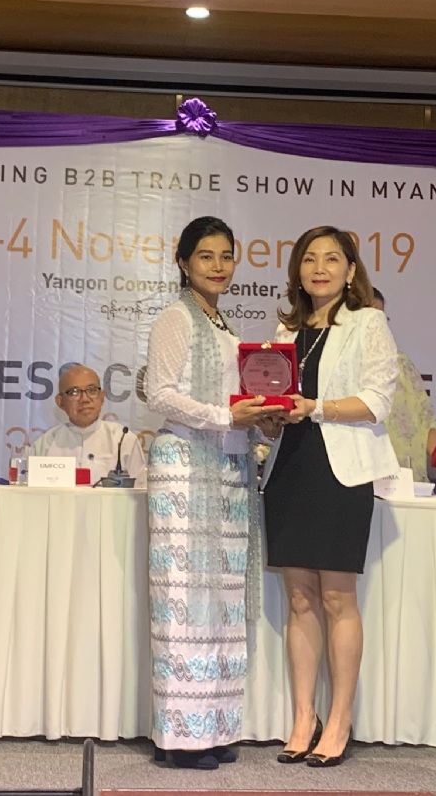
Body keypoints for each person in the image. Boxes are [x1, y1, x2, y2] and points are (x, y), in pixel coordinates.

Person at [144, 216, 284, 771]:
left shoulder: (223, 325)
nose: (218, 266)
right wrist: (227, 415)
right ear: (183, 262)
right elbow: (159, 394)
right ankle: (179, 738)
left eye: (227, 256)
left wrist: (259, 422)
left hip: (227, 469)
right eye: (206, 256)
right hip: (184, 467)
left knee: (220, 607)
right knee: (185, 605)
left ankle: (214, 727)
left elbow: (232, 405)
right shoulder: (175, 317)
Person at [260, 225, 398, 768]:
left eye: (332, 259)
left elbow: (378, 401)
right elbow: (279, 406)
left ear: (350, 270)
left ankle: (339, 720)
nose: (320, 268)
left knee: (337, 598)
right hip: (289, 468)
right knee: (299, 599)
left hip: (341, 472)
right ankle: (303, 717)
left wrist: (313, 407)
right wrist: (270, 418)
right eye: (309, 259)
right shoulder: (284, 330)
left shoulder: (368, 322)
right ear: (297, 271)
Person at [371, 288, 436, 489]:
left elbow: (426, 421)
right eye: (370, 318)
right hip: (364, 484)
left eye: (382, 319)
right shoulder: (337, 366)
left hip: (410, 485)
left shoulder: (401, 363)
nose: (377, 326)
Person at [29, 364, 147, 487]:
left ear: (102, 397)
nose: (84, 399)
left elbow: (139, 491)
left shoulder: (123, 440)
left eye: (92, 390)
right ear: (60, 402)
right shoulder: (44, 445)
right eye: (74, 392)